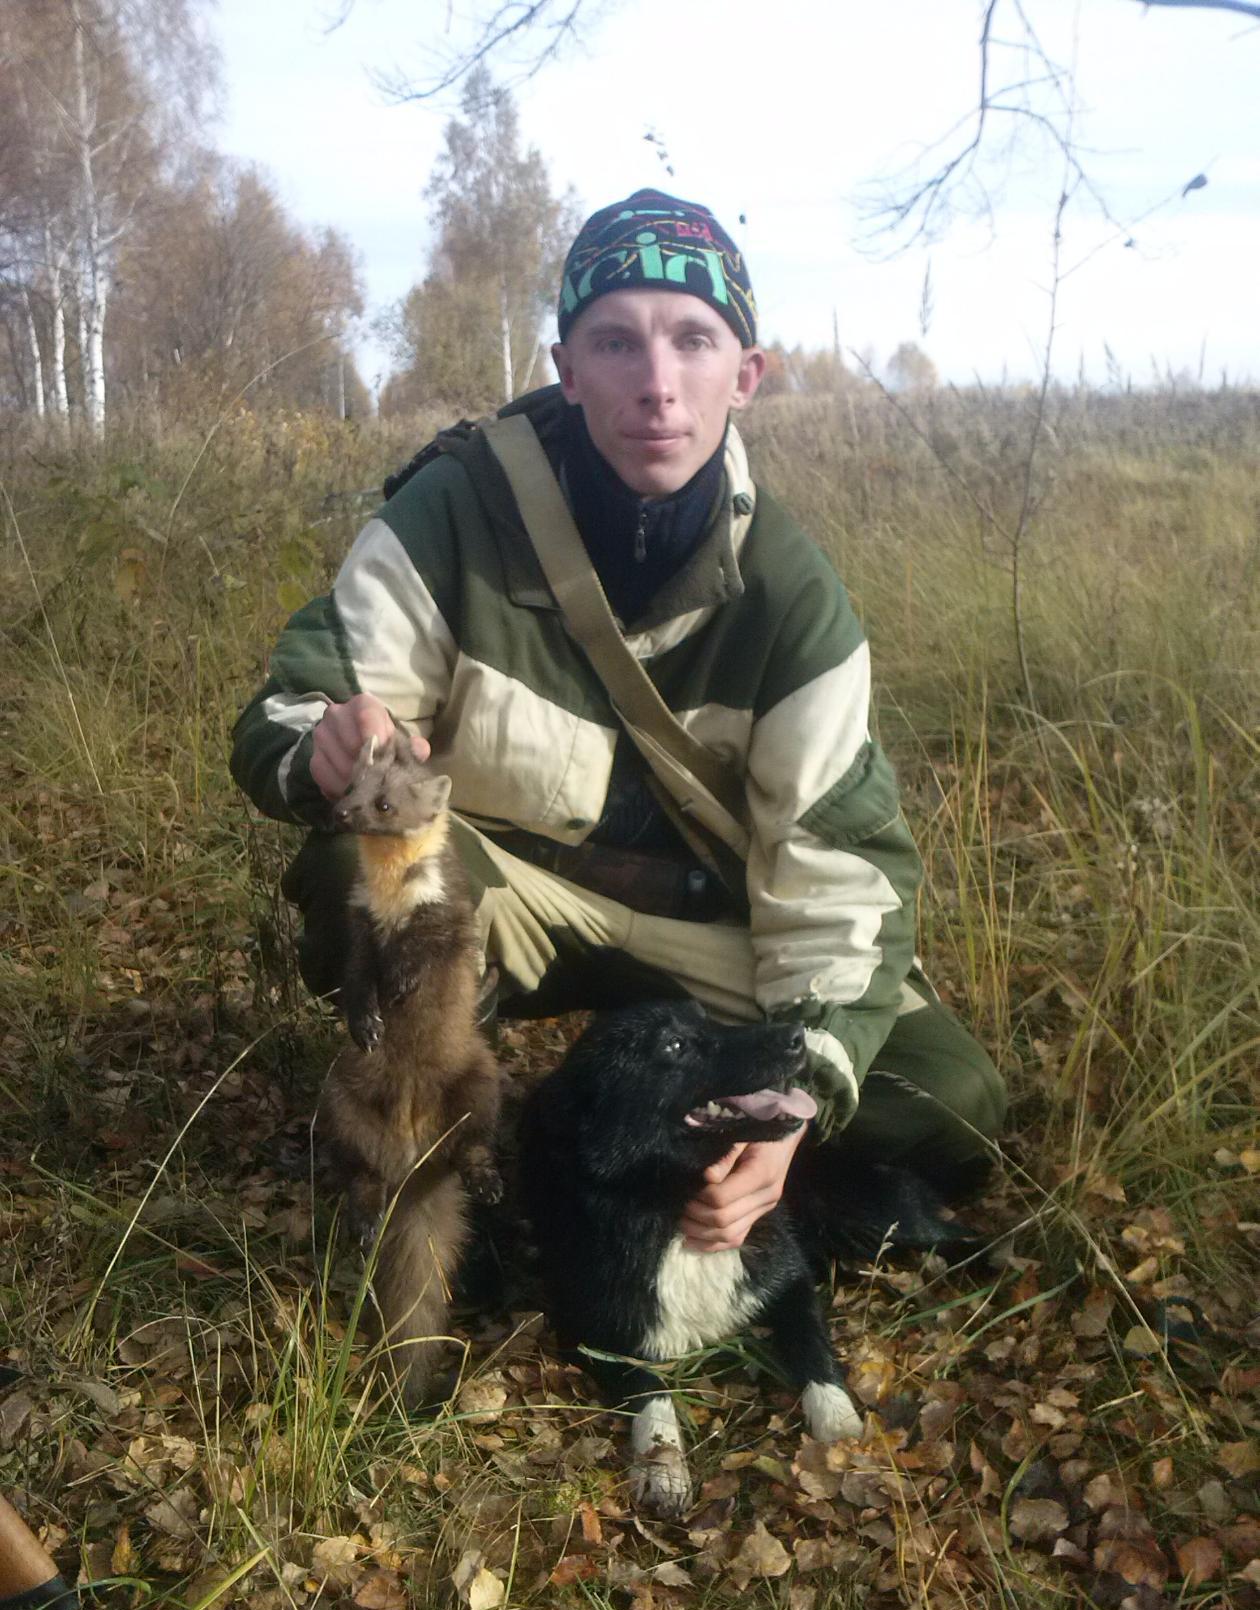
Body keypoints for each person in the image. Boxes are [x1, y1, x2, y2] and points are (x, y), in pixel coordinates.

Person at [230, 188, 1005, 1255]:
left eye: (693, 340)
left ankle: (638, 1142)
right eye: (615, 342)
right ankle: (425, 1175)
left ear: (746, 375)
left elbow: (836, 881)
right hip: (515, 901)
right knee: (362, 869)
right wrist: (323, 745)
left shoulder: (795, 600)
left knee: (950, 1101)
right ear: (567, 367)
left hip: (712, 932)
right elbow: (295, 706)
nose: (656, 383)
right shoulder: (454, 510)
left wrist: (790, 1113)